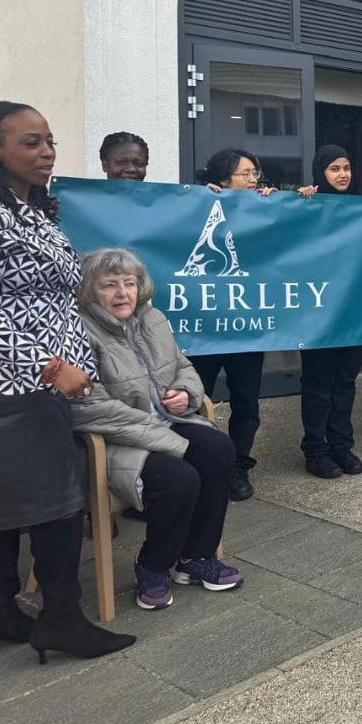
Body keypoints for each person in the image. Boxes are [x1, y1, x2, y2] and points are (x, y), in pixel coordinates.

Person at [0, 101, 135, 663]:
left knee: (5, 501)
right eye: (31, 143)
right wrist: (51, 365)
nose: (47, 153)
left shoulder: (27, 207)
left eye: (50, 142)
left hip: (26, 382)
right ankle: (60, 617)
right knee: (55, 501)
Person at [74, 249, 243, 611]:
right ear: (90, 291)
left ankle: (195, 558)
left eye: (129, 284)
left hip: (170, 424)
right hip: (117, 440)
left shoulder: (153, 319)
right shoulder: (79, 331)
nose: (122, 294)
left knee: (219, 451)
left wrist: (186, 393)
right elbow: (89, 408)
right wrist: (167, 438)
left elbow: (184, 366)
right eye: (109, 286)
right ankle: (152, 565)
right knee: (180, 478)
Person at [297, 145, 362, 478]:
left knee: (345, 382)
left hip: (352, 312)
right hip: (318, 313)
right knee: (318, 384)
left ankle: (341, 445)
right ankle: (316, 449)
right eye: (334, 169)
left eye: (347, 167)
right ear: (320, 173)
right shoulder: (305, 205)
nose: (343, 175)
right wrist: (295, 200)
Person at [188, 148, 275, 501]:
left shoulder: (263, 206)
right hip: (206, 327)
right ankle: (197, 464)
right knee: (196, 399)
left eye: (256, 173)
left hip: (247, 327)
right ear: (224, 179)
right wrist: (199, 199)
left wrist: (279, 201)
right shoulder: (199, 204)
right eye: (246, 174)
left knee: (246, 403)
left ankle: (237, 467)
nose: (254, 180)